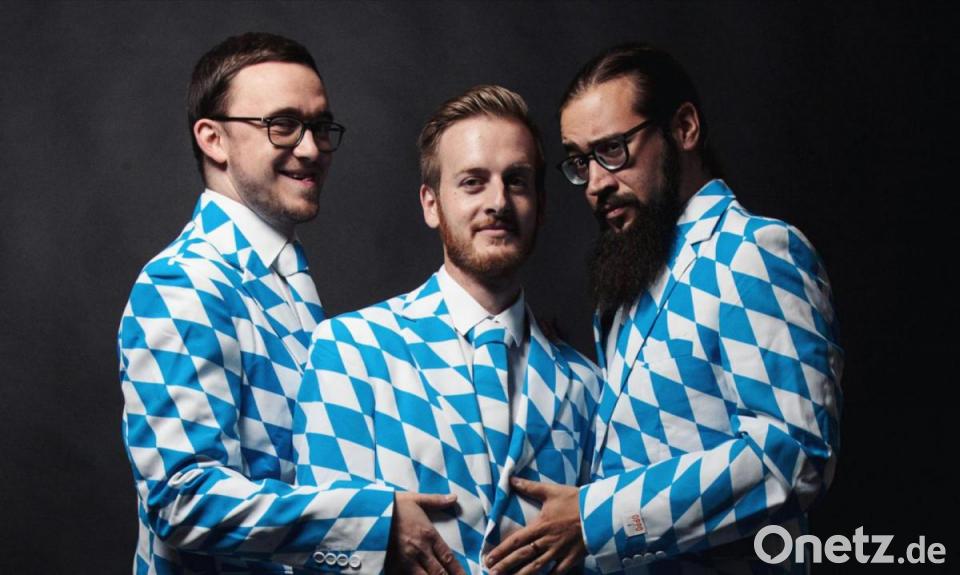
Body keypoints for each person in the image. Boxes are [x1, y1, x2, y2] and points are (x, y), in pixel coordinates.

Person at [487, 43, 843, 574]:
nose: (597, 184)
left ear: (684, 129)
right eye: (581, 162)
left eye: (613, 150)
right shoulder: (636, 276)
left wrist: (596, 518)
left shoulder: (753, 251)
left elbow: (792, 455)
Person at [118, 32, 399, 574]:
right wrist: (375, 522)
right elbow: (181, 497)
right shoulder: (186, 282)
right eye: (283, 125)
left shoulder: (282, 279)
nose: (311, 149)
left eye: (320, 127)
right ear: (213, 139)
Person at [293, 85, 600, 575]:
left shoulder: (586, 385)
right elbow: (323, 552)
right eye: (473, 182)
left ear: (541, 206)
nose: (498, 201)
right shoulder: (350, 351)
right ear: (431, 204)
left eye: (516, 181)